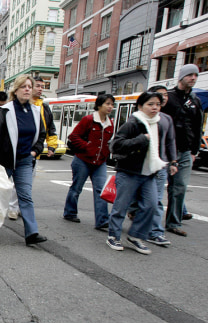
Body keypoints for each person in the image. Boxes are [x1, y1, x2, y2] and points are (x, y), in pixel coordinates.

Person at [0, 75, 47, 246]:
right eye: (23, 86)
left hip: (25, 161)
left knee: (25, 196)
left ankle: (31, 233)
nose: (27, 89)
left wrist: (35, 151)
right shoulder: (6, 110)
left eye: (29, 86)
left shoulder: (35, 111)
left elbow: (41, 135)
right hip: (4, 161)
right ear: (16, 90)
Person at [106, 92, 168, 254]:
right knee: (121, 206)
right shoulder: (133, 123)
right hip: (129, 171)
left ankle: (136, 235)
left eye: (157, 104)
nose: (155, 108)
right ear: (140, 106)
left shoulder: (159, 124)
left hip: (150, 174)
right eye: (150, 104)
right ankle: (113, 235)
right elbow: (116, 145)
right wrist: (142, 139)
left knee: (152, 205)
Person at [127, 86, 178, 246]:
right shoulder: (136, 120)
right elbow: (123, 142)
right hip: (137, 167)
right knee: (132, 201)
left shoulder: (166, 119)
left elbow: (170, 141)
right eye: (153, 102)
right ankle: (134, 221)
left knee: (154, 201)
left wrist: (173, 161)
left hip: (158, 167)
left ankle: (154, 232)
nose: (158, 104)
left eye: (161, 99)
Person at [163, 64, 204, 237]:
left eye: (196, 75)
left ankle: (173, 222)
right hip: (164, 150)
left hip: (185, 151)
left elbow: (197, 127)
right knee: (151, 184)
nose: (193, 78)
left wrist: (194, 151)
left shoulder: (195, 101)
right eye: (190, 75)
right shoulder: (168, 98)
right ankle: (136, 210)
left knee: (179, 187)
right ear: (181, 77)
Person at [63, 94, 114, 229]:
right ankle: (70, 212)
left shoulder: (110, 123)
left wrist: (106, 153)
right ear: (99, 105)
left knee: (101, 190)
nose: (110, 107)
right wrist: (87, 146)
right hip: (82, 160)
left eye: (112, 104)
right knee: (76, 188)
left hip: (100, 162)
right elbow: (73, 136)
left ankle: (102, 221)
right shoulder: (88, 120)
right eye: (107, 103)